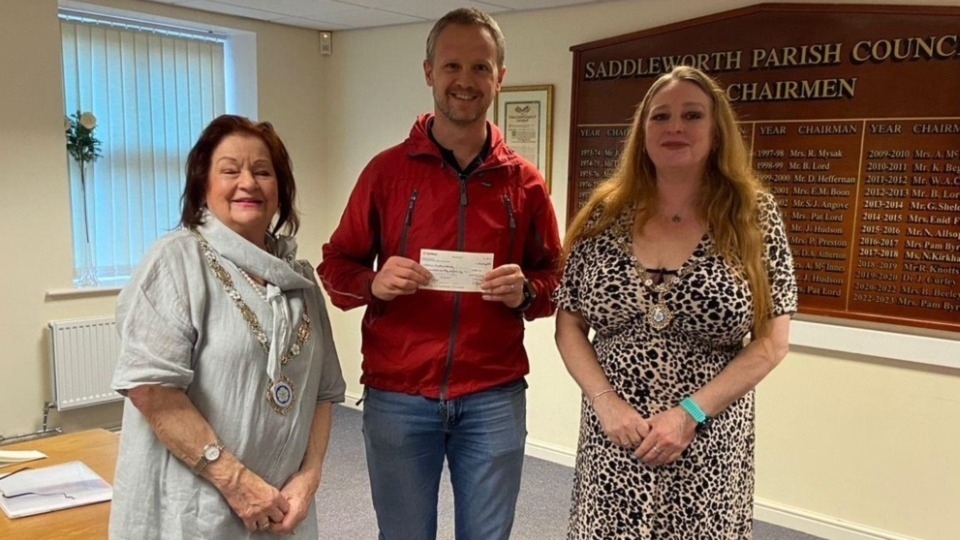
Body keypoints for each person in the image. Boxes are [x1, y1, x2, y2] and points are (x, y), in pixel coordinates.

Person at [318, 8, 561, 540]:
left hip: (493, 394)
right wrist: (372, 283)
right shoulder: (387, 172)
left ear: (500, 76)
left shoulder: (525, 183)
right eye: (452, 65)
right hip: (399, 391)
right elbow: (336, 266)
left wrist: (526, 292)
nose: (465, 81)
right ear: (429, 71)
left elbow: (555, 279)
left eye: (481, 67)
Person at [554, 65, 798, 539]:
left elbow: (771, 343)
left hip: (707, 440)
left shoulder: (753, 217)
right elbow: (568, 327)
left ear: (716, 130)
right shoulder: (604, 215)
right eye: (660, 117)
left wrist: (690, 414)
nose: (675, 128)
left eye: (692, 115)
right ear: (642, 132)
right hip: (616, 436)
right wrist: (606, 404)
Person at [109, 114, 346, 539]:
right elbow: (151, 389)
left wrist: (309, 478)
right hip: (196, 509)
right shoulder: (176, 264)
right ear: (204, 185)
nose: (248, 183)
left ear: (281, 190)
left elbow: (325, 394)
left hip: (282, 509)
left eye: (262, 172)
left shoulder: (303, 281)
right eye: (230, 170)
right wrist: (237, 482)